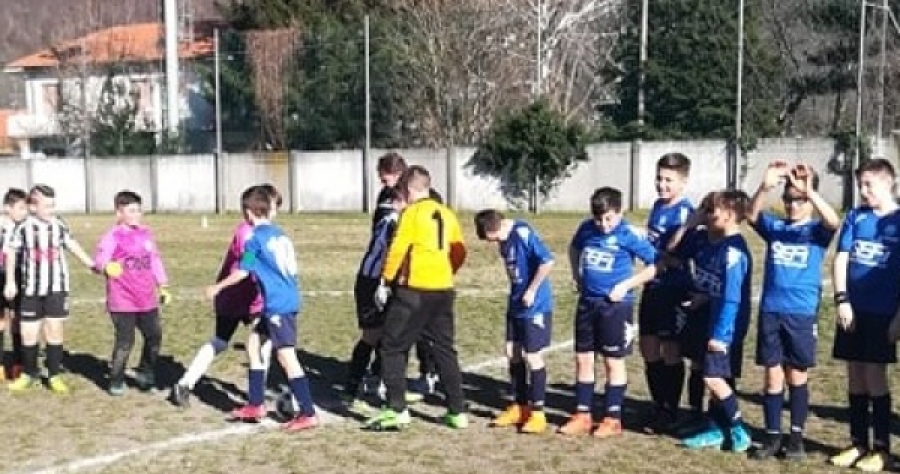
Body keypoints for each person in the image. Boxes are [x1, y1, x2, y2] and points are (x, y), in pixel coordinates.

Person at [746, 161, 839, 461]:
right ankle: (773, 436)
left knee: (796, 375)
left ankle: (796, 438)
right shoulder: (776, 227)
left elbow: (833, 222)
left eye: (799, 200)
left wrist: (809, 191)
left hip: (800, 314)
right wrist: (764, 187)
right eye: (788, 199)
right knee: (772, 377)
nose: (792, 205)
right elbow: (751, 215)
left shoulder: (815, 232)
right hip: (772, 310)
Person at [206, 185, 318, 431]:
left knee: (286, 355)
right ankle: (256, 404)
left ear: (248, 212)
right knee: (254, 344)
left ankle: (308, 412)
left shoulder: (254, 240)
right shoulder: (280, 234)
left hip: (278, 303)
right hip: (283, 299)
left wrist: (218, 287)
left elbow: (243, 271)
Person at [364, 165, 467, 431]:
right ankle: (457, 410)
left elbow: (398, 248)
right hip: (443, 289)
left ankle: (397, 408)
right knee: (444, 348)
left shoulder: (412, 213)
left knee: (392, 346)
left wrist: (385, 280)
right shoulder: (447, 213)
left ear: (409, 189)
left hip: (415, 289)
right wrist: (446, 271)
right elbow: (459, 251)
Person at [558, 187, 658, 438]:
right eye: (598, 219)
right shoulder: (586, 229)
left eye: (609, 219)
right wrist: (577, 275)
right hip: (587, 303)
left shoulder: (628, 235)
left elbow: (655, 265)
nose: (603, 225)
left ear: (620, 212)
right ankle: (583, 414)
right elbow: (574, 248)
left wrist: (625, 286)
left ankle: (613, 418)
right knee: (583, 359)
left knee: (612, 361)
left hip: (615, 307)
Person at [170, 184, 282, 407]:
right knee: (220, 341)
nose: (274, 212)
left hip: (256, 299)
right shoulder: (246, 234)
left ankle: (257, 393)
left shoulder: (270, 233)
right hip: (233, 297)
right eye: (272, 207)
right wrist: (219, 287)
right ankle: (184, 384)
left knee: (263, 343)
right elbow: (247, 267)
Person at [830, 158, 900, 471]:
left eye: (869, 185)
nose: (864, 191)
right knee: (855, 375)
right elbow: (841, 258)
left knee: (874, 376)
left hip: (882, 312)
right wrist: (842, 300)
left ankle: (882, 449)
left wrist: (899, 317)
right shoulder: (856, 217)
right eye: (861, 185)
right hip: (853, 311)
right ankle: (858, 443)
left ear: (889, 182)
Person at [673, 190, 753, 453]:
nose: (707, 216)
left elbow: (731, 297)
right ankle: (715, 428)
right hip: (715, 320)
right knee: (711, 374)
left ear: (729, 215)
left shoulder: (733, 251)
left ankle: (738, 429)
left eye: (712, 211)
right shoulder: (718, 244)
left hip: (725, 327)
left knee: (713, 377)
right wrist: (704, 298)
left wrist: (721, 335)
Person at [4, 184, 95, 393]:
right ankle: (29, 373)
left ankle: (54, 375)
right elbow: (11, 254)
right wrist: (10, 281)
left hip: (56, 288)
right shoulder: (23, 227)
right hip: (30, 290)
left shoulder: (58, 224)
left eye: (53, 206)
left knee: (54, 330)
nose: (51, 210)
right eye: (47, 206)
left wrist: (90, 264)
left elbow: (72, 244)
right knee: (28, 332)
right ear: (33, 207)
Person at [475, 209, 554, 434]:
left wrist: (532, 290)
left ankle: (538, 413)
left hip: (535, 305)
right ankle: (520, 406)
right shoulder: (504, 241)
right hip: (516, 304)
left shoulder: (523, 233)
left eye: (493, 238)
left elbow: (547, 261)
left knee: (532, 356)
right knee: (512, 352)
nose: (494, 243)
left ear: (496, 228)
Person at [372, 152, 440, 396]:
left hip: (417, 273)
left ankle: (428, 372)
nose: (384, 184)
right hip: (393, 269)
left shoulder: (429, 199)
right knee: (388, 325)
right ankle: (381, 373)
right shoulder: (385, 196)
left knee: (419, 328)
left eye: (386, 179)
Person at [637, 153, 694, 434]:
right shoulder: (658, 206)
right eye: (659, 178)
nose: (662, 185)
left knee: (670, 349)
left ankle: (671, 409)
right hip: (652, 285)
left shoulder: (687, 213)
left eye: (668, 180)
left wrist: (664, 257)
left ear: (683, 182)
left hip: (673, 289)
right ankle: (658, 404)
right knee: (648, 347)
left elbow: (678, 255)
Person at [93, 191, 171, 395]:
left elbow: (154, 260)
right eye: (131, 210)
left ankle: (146, 372)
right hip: (123, 300)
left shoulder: (145, 234)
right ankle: (116, 379)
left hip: (146, 298)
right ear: (119, 213)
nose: (137, 214)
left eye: (139, 210)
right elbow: (99, 260)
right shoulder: (113, 236)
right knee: (125, 341)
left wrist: (162, 284)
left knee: (154, 336)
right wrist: (106, 266)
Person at [345, 184, 406, 405]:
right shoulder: (392, 221)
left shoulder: (260, 234)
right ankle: (352, 387)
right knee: (373, 336)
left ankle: (374, 381)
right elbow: (389, 252)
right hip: (373, 282)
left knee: (388, 335)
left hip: (270, 298)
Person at [0, 188, 28, 380]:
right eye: (20, 208)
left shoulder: (25, 228)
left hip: (19, 275)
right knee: (1, 320)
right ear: (7, 208)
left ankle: (18, 363)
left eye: (25, 208)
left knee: (17, 319)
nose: (23, 212)